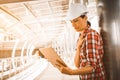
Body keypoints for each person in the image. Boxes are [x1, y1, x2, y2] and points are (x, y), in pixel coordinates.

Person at [56, 3, 106, 80]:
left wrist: (71, 72)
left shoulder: (91, 35)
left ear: (85, 18)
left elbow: (91, 67)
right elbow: (77, 64)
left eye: (76, 21)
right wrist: (78, 47)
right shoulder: (81, 38)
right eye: (71, 22)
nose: (73, 25)